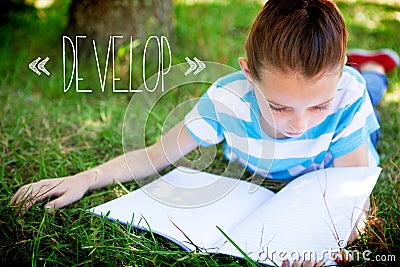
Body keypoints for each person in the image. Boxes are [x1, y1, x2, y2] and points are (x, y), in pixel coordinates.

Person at [10, 0, 399, 264]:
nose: (299, 125)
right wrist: (86, 178)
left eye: (319, 106)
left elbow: (353, 196)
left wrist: (337, 244)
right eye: (279, 106)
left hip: (336, 148)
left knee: (372, 89)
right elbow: (155, 154)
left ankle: (374, 68)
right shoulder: (225, 101)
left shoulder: (347, 95)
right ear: (248, 75)